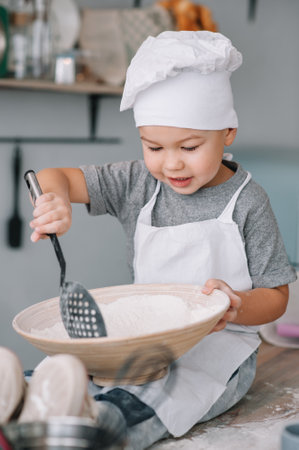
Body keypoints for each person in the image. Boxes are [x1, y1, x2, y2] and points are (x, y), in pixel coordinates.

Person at [3, 31, 297, 448]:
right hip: (147, 337)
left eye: (190, 146)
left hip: (217, 350)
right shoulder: (139, 183)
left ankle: (90, 428)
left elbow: (277, 295)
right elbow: (60, 176)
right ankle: (21, 402)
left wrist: (237, 305)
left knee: (152, 395)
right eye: (153, 146)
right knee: (78, 370)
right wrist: (56, 200)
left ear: (227, 132)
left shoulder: (247, 200)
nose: (171, 162)